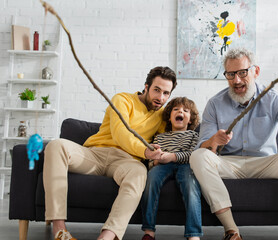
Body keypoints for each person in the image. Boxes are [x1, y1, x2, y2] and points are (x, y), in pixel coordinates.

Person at [189, 48, 278, 240]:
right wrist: (213, 141)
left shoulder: (274, 98)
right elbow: (204, 148)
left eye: (242, 72)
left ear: (255, 72)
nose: (237, 80)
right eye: (231, 75)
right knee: (198, 156)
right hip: (229, 164)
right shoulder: (215, 104)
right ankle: (232, 231)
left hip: (266, 163)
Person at [43, 66, 177, 240]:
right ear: (146, 87)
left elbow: (163, 141)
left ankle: (108, 236)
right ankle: (60, 230)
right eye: (157, 90)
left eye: (166, 93)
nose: (160, 98)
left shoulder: (161, 116)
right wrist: (144, 150)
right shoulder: (122, 99)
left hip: (126, 161)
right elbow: (120, 133)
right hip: (95, 154)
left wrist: (160, 154)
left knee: (139, 173)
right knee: (56, 146)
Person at [141, 97, 203, 240]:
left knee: (191, 185)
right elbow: (151, 158)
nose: (180, 111)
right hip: (163, 165)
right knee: (151, 179)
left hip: (186, 165)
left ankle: (193, 234)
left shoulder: (194, 136)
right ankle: (149, 232)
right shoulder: (160, 138)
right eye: (176, 109)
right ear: (169, 117)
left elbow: (194, 155)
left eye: (185, 111)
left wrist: (173, 156)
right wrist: (155, 162)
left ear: (190, 120)